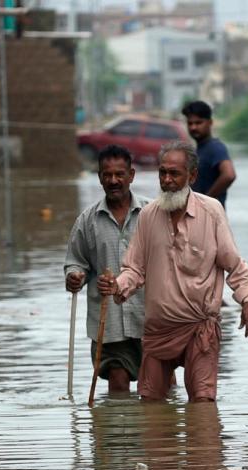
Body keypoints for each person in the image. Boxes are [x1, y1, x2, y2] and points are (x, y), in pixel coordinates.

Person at [98, 141, 248, 403]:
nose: (167, 180)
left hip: (200, 327)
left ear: (191, 177)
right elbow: (135, 268)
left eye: (174, 174)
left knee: (203, 404)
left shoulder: (211, 211)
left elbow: (234, 264)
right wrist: (116, 286)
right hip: (158, 329)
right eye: (163, 173)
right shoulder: (149, 216)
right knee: (150, 404)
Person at [64, 145, 151, 393]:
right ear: (99, 176)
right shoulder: (87, 220)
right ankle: (114, 432)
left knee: (158, 388)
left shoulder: (151, 214)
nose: (113, 181)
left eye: (119, 174)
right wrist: (74, 277)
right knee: (118, 383)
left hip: (150, 318)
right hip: (109, 320)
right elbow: (75, 261)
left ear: (131, 175)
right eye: (107, 175)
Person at [181, 100, 236, 210]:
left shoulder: (215, 147)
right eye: (190, 123)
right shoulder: (198, 150)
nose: (193, 127)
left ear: (210, 122)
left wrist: (204, 201)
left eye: (198, 123)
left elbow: (229, 175)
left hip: (211, 215)